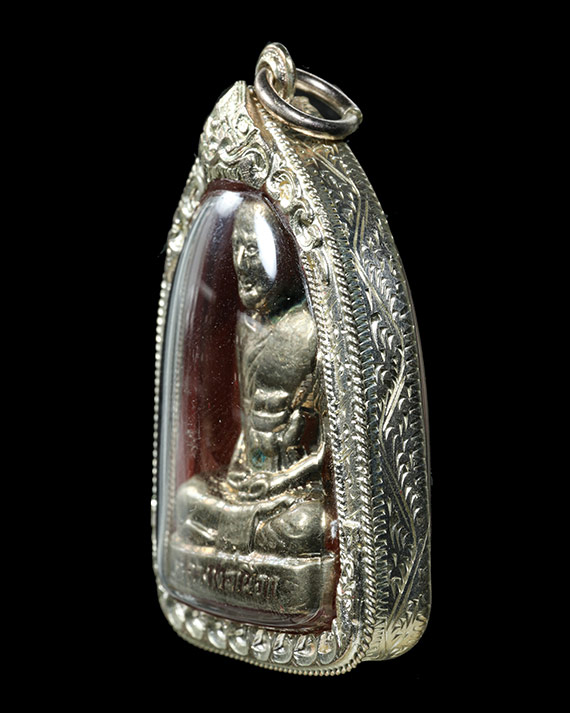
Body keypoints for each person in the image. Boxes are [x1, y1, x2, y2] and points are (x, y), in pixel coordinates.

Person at [174, 195, 328, 559]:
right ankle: (248, 535)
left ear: (285, 257)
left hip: (292, 487)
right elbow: (248, 419)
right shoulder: (246, 329)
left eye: (255, 248)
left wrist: (281, 482)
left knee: (310, 527)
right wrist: (237, 477)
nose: (242, 262)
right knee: (186, 498)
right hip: (249, 485)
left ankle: (237, 534)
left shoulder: (313, 331)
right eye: (237, 248)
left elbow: (329, 450)